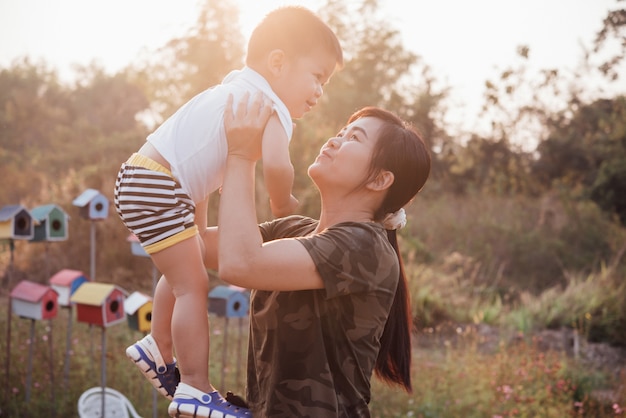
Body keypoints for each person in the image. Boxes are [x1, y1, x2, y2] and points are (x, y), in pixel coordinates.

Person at [113, 6, 342, 417]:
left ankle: (157, 345)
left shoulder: (233, 87)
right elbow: (276, 164)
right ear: (278, 62)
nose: (319, 91)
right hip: (161, 185)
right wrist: (282, 201)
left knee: (192, 258)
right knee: (193, 286)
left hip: (148, 176)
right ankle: (196, 389)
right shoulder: (269, 105)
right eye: (317, 76)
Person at [211, 93, 432, 417]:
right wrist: (202, 165)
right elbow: (194, 245)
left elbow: (238, 263)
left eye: (353, 138)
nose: (334, 140)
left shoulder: (365, 248)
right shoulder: (294, 230)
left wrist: (242, 156)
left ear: (380, 179)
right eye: (342, 132)